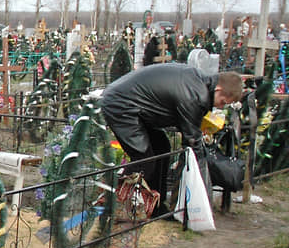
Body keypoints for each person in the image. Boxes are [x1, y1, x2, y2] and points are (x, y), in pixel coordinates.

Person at [100, 63, 242, 214]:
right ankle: (113, 203)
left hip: (135, 105)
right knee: (144, 160)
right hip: (121, 106)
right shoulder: (196, 95)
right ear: (218, 89)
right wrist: (202, 177)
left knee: (162, 148)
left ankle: (156, 206)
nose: (220, 107)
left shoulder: (199, 84)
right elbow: (192, 140)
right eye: (222, 102)